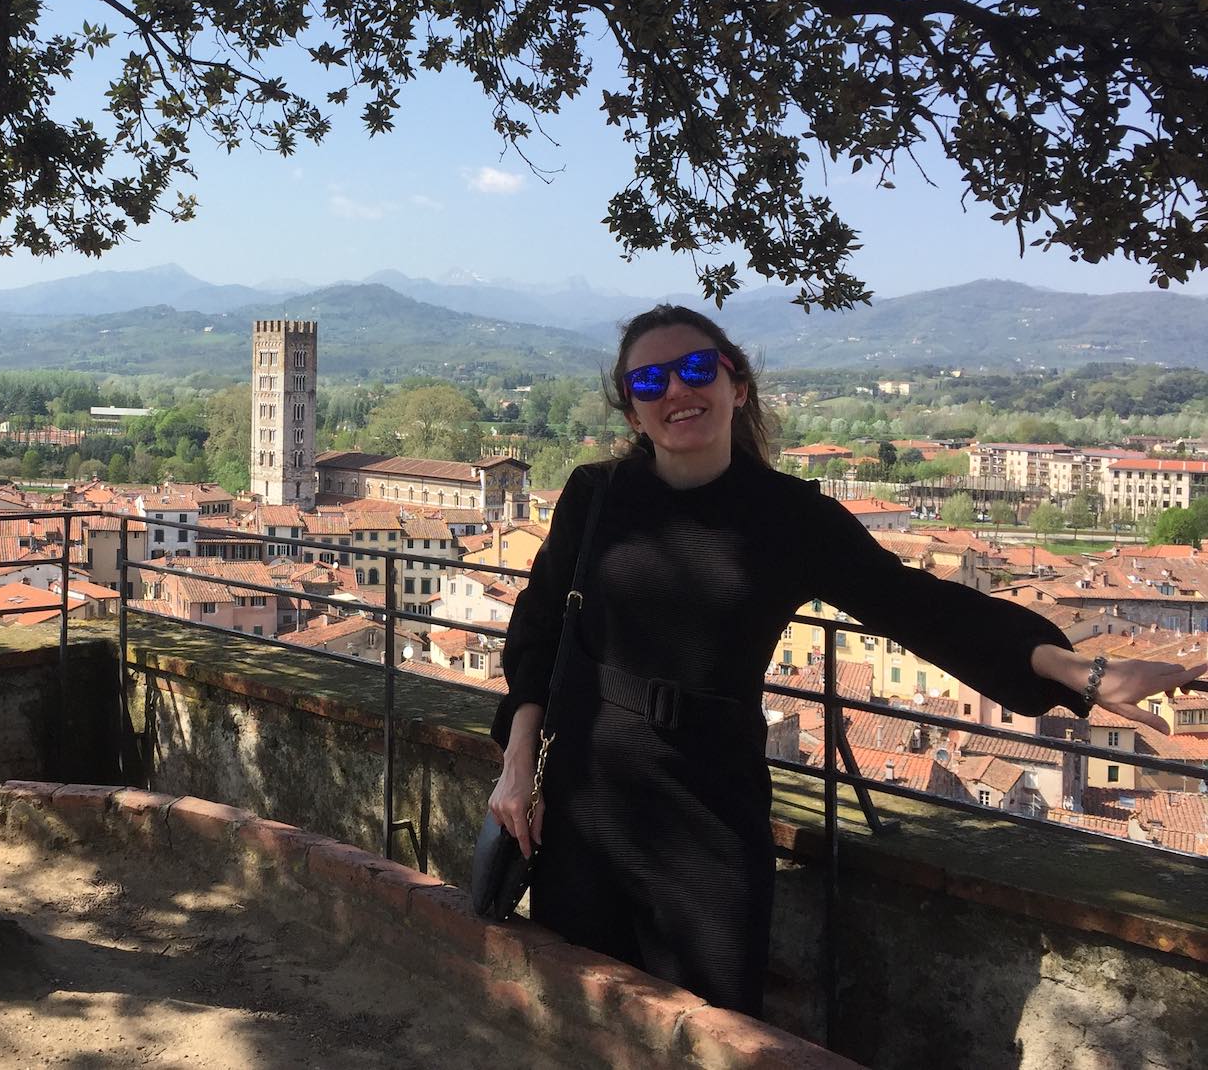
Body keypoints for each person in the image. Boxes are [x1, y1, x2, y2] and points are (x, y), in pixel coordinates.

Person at [486, 304, 1204, 1017]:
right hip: (586, 798)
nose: (676, 390)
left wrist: (1078, 673)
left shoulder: (792, 517)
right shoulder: (595, 495)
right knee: (575, 1021)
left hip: (707, 806)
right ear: (632, 414)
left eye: (696, 368)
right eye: (650, 382)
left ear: (738, 387)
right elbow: (540, 634)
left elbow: (914, 605)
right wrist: (519, 768)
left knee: (710, 1026)